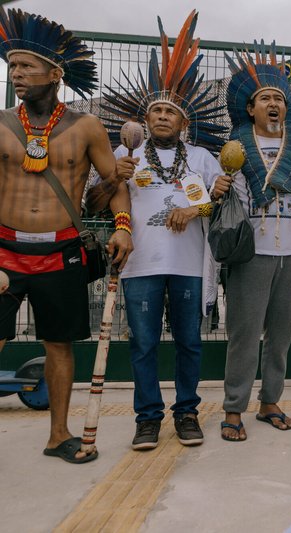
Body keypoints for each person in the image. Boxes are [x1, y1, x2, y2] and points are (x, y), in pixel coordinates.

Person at [0, 9, 132, 463]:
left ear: (55, 73)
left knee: (58, 344)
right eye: (12, 66)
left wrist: (123, 229)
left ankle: (58, 435)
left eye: (25, 66)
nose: (15, 74)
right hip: (4, 253)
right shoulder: (0, 124)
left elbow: (114, 186)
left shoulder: (87, 127)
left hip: (61, 252)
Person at [100, 11, 226, 450]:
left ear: (183, 123)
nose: (161, 117)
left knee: (190, 344)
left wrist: (194, 211)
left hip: (190, 265)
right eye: (155, 110)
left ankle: (187, 413)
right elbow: (95, 203)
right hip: (141, 265)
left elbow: (221, 203)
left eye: (170, 111)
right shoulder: (125, 152)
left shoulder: (204, 158)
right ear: (145, 119)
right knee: (144, 346)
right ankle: (148, 418)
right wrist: (114, 177)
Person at [211, 42, 291, 441]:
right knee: (245, 334)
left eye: (279, 98)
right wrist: (219, 187)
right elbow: (218, 200)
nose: (273, 104)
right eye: (265, 98)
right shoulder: (233, 147)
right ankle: (234, 407)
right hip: (252, 250)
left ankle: (270, 400)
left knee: (281, 333)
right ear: (251, 108)